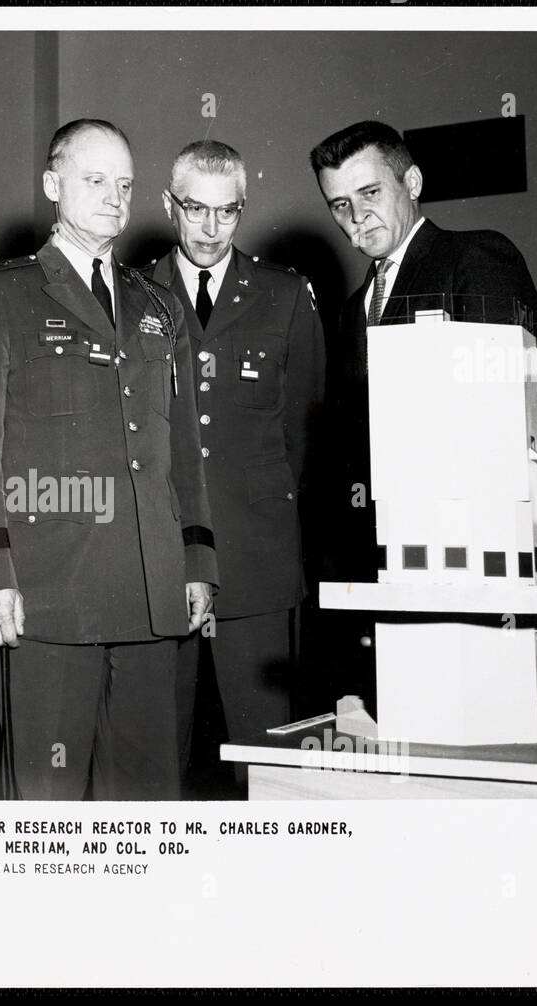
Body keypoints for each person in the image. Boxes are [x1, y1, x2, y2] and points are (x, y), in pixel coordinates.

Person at [0, 119, 218, 801]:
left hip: (152, 595)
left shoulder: (159, 307)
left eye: (124, 184)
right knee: (48, 808)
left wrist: (198, 562)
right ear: (52, 184)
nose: (114, 197)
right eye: (95, 180)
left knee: (150, 806)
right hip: (46, 597)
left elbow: (182, 449)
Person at [308, 119, 537, 709]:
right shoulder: (355, 305)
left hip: (472, 553)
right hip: (388, 556)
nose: (356, 217)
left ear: (411, 181)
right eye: (339, 204)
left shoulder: (475, 257)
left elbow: (499, 417)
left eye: (370, 193)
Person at [144, 140, 325, 778]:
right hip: (160, 559)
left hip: (257, 559)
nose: (211, 229)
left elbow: (302, 432)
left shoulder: (284, 295)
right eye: (195, 209)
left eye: (228, 212)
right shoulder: (130, 294)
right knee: (156, 756)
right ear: (170, 206)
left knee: (268, 759)